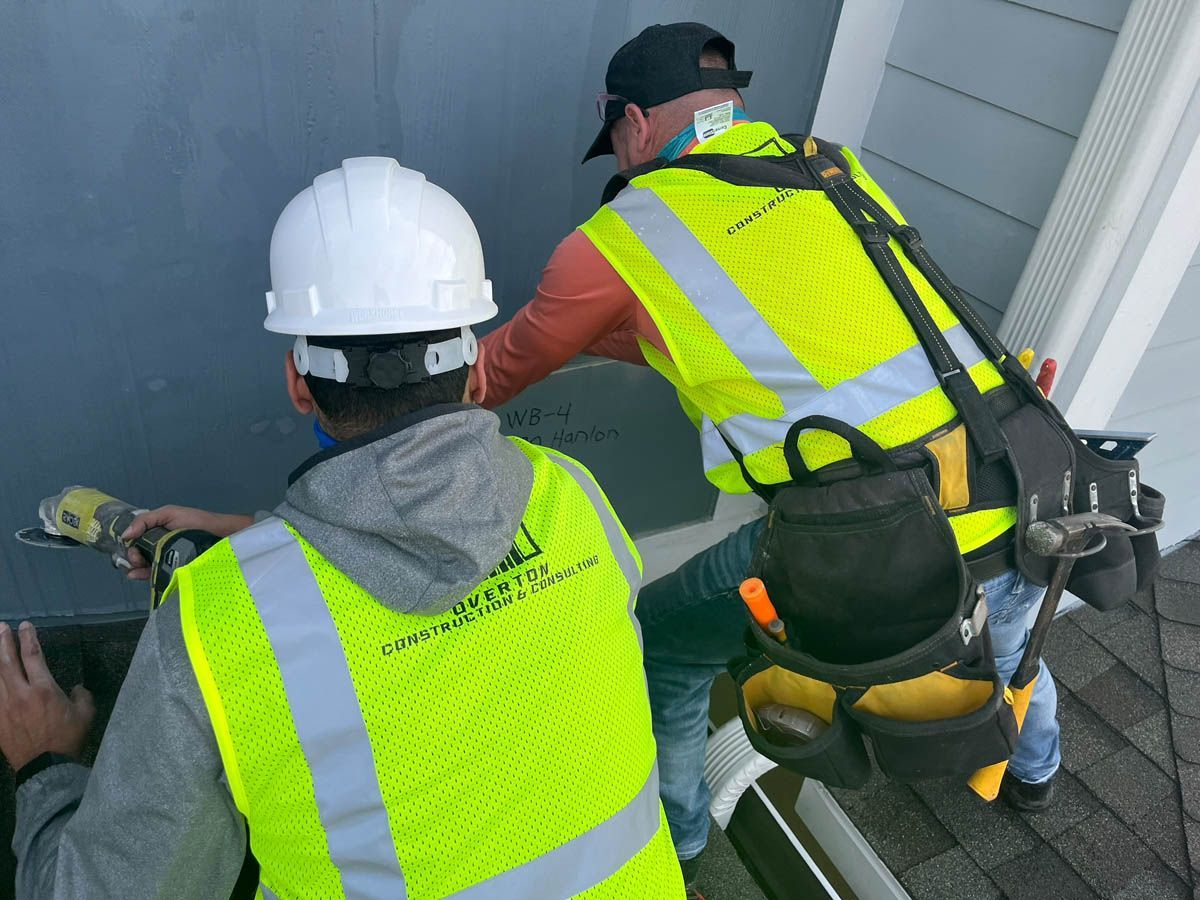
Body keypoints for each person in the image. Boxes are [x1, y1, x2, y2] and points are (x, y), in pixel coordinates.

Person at [477, 21, 1061, 892]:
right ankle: (1038, 776)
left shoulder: (622, 236)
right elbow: (810, 330)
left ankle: (676, 842)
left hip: (882, 538)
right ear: (731, 104)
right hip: (1020, 481)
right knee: (1013, 643)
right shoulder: (833, 167)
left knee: (663, 644)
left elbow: (498, 373)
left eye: (619, 147)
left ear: (633, 123)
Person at [1, 157, 684, 899]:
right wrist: (264, 547)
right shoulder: (574, 495)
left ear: (298, 383)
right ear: (474, 366)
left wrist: (43, 765)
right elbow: (451, 572)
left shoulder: (210, 627)